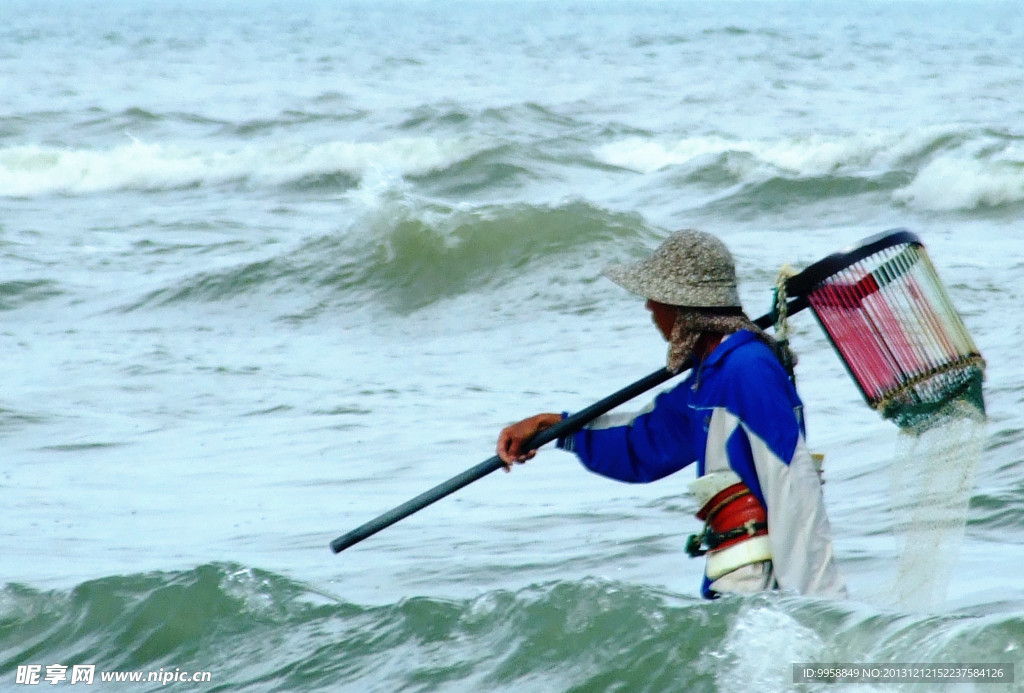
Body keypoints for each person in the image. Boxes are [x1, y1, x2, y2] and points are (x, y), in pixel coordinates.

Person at [496, 230, 846, 599]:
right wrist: (555, 427)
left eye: (656, 297)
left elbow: (795, 489)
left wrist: (820, 609)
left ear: (683, 306)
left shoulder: (747, 370)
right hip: (738, 587)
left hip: (764, 592)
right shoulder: (710, 375)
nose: (649, 307)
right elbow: (642, 443)